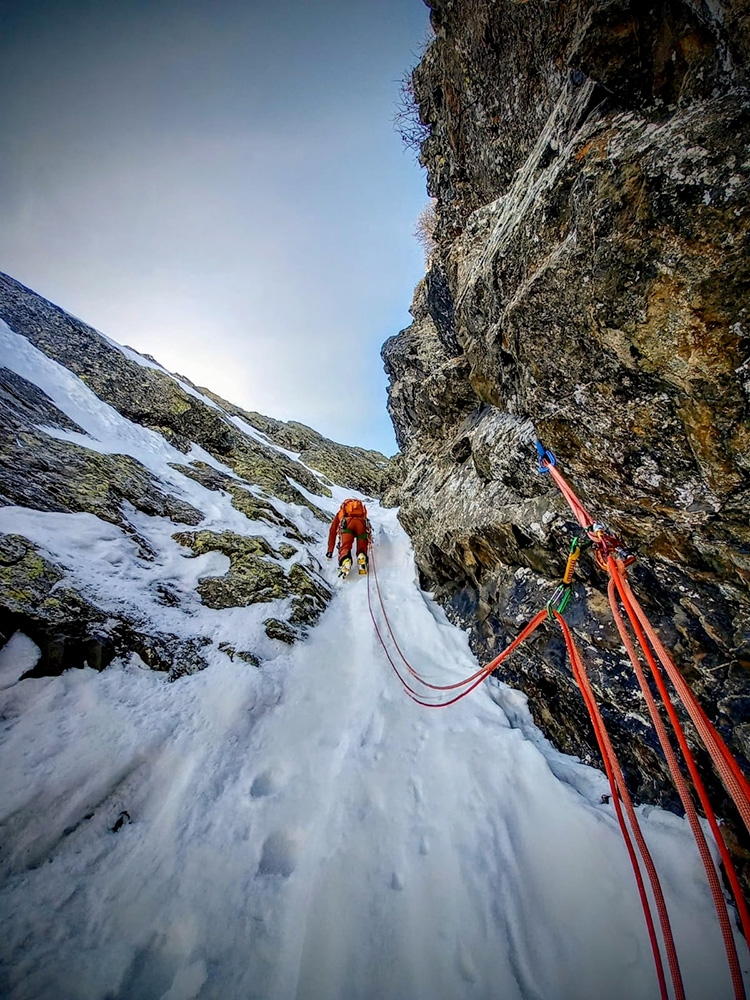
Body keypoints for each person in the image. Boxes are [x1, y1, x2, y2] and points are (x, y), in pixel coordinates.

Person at [326, 498, 370, 576]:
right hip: (361, 524)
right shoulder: (361, 511)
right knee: (362, 546)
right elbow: (367, 528)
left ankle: (346, 560)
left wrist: (330, 551)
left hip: (347, 524)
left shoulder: (341, 512)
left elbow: (332, 531)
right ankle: (362, 555)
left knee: (345, 547)